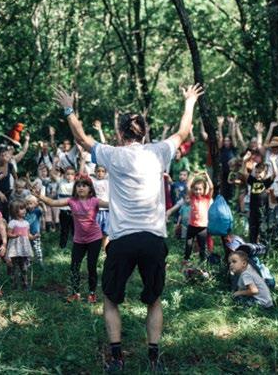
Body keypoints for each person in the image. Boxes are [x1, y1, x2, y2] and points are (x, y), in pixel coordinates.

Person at [54, 82, 204, 371]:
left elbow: (83, 140)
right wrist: (189, 102)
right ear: (144, 133)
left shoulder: (113, 154)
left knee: (111, 299)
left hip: (121, 239)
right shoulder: (158, 151)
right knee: (154, 300)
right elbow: (183, 133)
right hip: (152, 239)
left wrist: (69, 108)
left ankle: (117, 358)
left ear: (121, 134)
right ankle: (153, 358)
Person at [37, 175, 108, 303]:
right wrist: (39, 196)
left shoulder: (95, 201)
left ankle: (92, 293)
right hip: (79, 240)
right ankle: (75, 293)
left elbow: (110, 205)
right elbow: (52, 203)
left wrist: (123, 200)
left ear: (90, 189)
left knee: (91, 266)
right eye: (79, 185)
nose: (81, 188)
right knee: (74, 266)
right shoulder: (71, 201)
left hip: (94, 238)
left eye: (84, 185)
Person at [242, 159, 276, 244]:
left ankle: (263, 249)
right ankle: (253, 248)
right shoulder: (253, 181)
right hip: (253, 211)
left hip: (263, 212)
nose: (257, 174)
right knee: (253, 231)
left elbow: (275, 174)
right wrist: (244, 161)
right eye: (256, 172)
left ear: (265, 173)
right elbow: (245, 173)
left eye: (260, 172)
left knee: (263, 231)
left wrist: (273, 162)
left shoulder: (266, 182)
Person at [183, 172, 213, 263]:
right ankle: (186, 260)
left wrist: (207, 175)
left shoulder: (207, 198)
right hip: (192, 226)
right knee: (188, 245)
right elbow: (188, 186)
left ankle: (202, 262)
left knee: (202, 246)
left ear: (204, 190)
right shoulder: (192, 197)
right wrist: (194, 176)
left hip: (202, 227)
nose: (198, 191)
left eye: (200, 189)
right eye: (196, 189)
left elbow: (211, 187)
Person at [6, 200, 33, 290]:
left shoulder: (26, 223)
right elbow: (8, 234)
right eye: (21, 208)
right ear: (15, 211)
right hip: (15, 248)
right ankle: (14, 285)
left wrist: (34, 237)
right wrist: (14, 235)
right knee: (14, 267)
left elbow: (28, 236)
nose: (24, 210)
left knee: (24, 267)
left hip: (24, 248)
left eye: (24, 208)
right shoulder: (12, 222)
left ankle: (25, 284)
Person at [53, 166, 76, 249]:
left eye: (72, 174)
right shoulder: (60, 181)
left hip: (74, 211)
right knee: (64, 230)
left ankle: (76, 246)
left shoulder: (76, 183)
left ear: (74, 175)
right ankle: (62, 246)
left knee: (75, 230)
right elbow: (52, 174)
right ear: (64, 174)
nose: (70, 176)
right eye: (68, 174)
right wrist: (54, 163)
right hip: (63, 210)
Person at [25, 195, 44, 266]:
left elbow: (44, 211)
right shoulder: (25, 213)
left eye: (31, 203)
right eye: (27, 204)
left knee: (37, 248)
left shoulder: (37, 211)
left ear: (35, 204)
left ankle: (40, 262)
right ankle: (28, 262)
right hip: (27, 234)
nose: (29, 206)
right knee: (28, 249)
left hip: (36, 234)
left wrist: (42, 205)